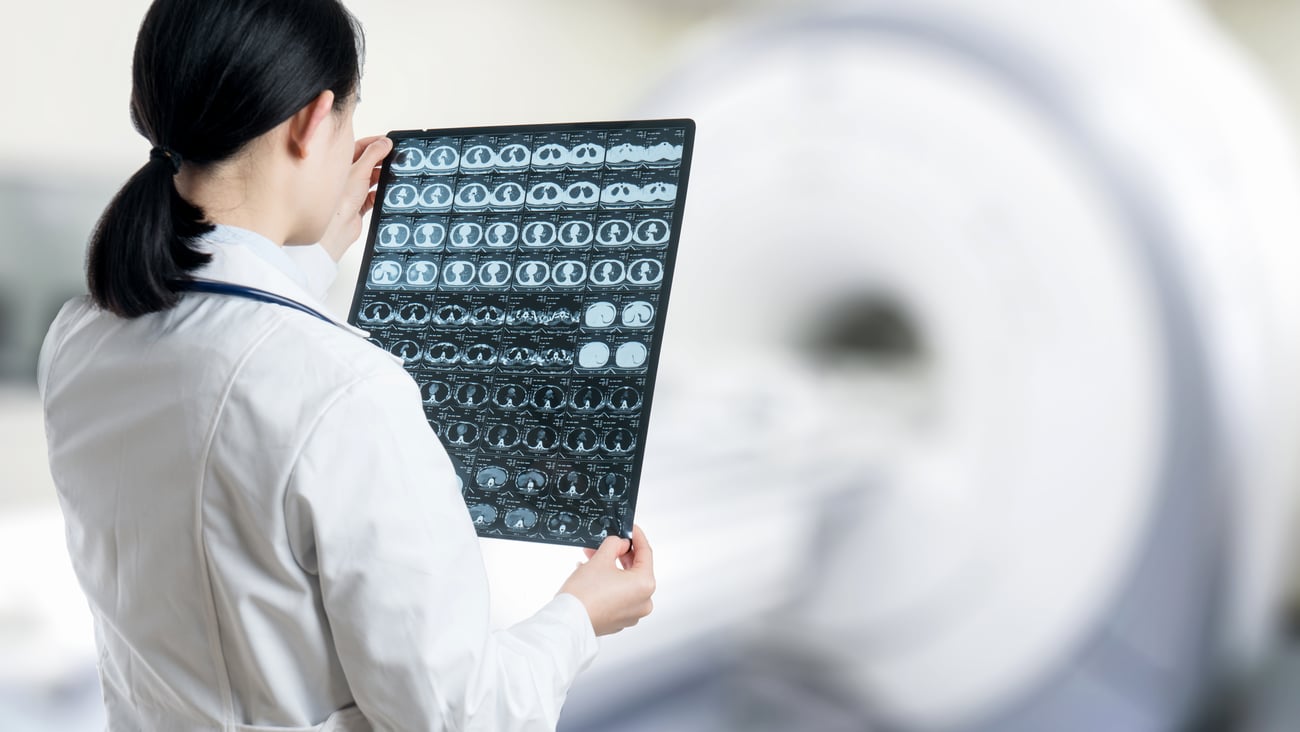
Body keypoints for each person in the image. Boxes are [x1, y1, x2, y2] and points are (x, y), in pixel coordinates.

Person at [36, 1, 656, 730]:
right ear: (313, 118)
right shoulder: (346, 390)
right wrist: (580, 617)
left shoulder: (82, 338)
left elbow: (225, 378)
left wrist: (308, 254)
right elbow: (458, 714)